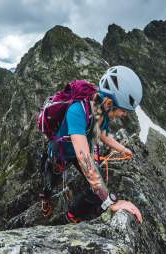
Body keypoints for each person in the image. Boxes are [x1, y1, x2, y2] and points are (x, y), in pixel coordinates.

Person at [40, 65, 143, 224]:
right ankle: (46, 198)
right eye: (122, 111)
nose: (123, 115)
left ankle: (73, 213)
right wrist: (112, 203)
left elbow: (102, 132)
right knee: (51, 181)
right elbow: (85, 161)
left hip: (75, 152)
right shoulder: (77, 111)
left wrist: (122, 149)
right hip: (59, 153)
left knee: (98, 187)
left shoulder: (101, 107)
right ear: (109, 103)